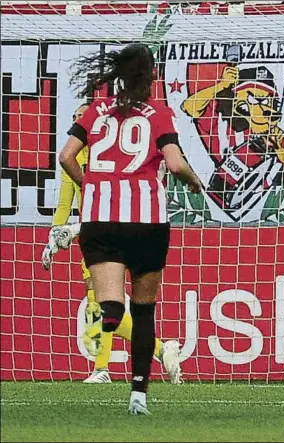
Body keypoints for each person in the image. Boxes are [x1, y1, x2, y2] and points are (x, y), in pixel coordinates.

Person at [59, 43, 203, 415]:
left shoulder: (95, 111)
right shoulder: (158, 112)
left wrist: (90, 186)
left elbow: (65, 156)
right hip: (147, 221)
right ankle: (138, 394)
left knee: (111, 302)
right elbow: (173, 162)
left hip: (100, 220)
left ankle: (109, 311)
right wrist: (193, 180)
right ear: (153, 75)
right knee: (144, 311)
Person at [42, 106, 183, 386]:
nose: (77, 124)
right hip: (94, 237)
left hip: (119, 233)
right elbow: (64, 204)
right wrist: (53, 236)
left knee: (107, 304)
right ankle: (156, 351)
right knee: (100, 303)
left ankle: (105, 368)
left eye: (80, 118)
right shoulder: (77, 158)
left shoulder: (115, 158)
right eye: (74, 118)